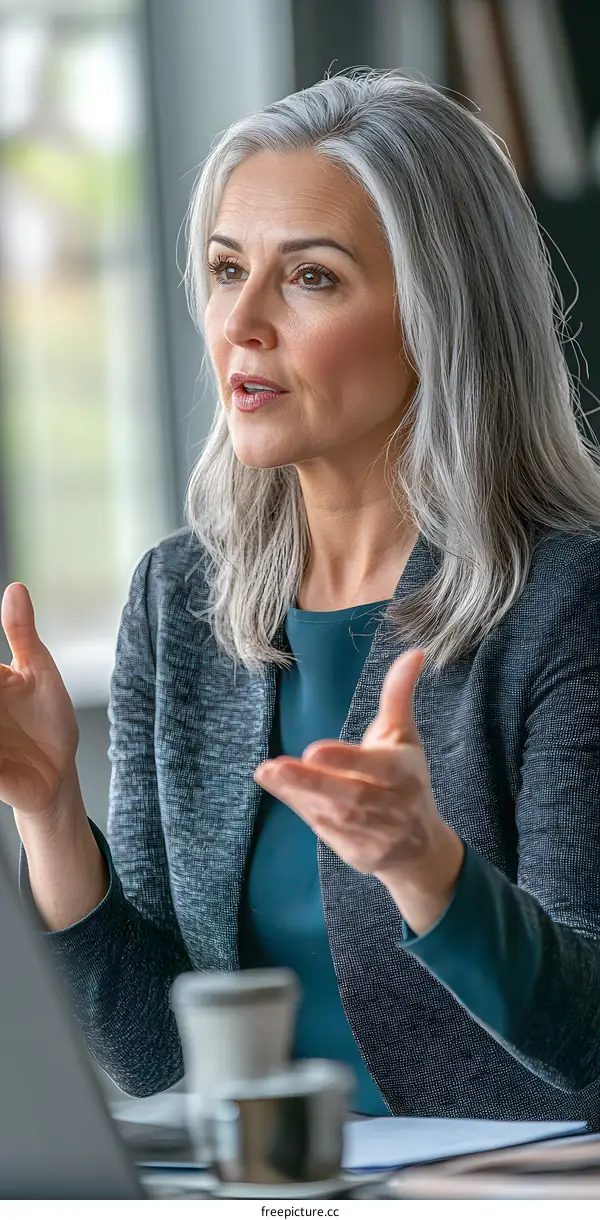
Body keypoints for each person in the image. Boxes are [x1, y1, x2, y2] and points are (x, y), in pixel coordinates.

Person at [3, 67, 600, 1124]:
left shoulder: (566, 598)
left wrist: (429, 869)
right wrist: (50, 811)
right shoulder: (179, 599)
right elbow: (150, 1051)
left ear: (438, 315)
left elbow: (586, 1037)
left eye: (311, 278)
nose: (240, 320)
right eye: (227, 268)